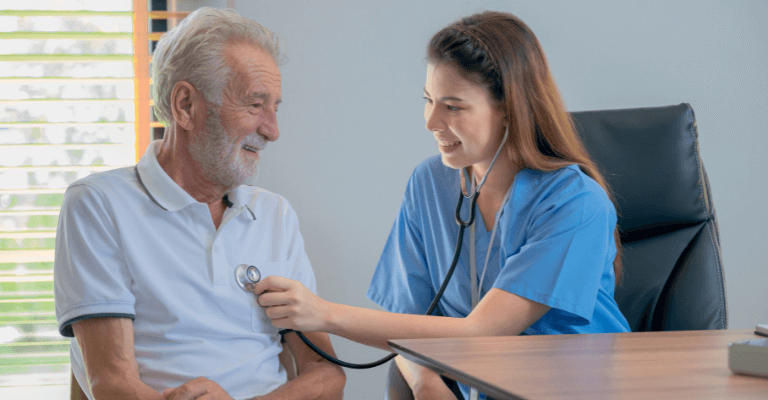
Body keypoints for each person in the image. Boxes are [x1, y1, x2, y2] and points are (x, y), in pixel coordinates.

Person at [253, 11, 630, 400]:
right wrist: (425, 380)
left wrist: (322, 314)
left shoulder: (576, 204)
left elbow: (483, 332)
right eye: (429, 100)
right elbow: (407, 320)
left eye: (453, 106)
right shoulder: (429, 184)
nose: (431, 120)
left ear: (508, 107)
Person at [53, 8, 345, 400]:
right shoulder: (99, 205)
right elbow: (113, 384)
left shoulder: (275, 214)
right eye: (255, 105)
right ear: (186, 106)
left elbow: (327, 374)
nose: (272, 130)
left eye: (275, 107)